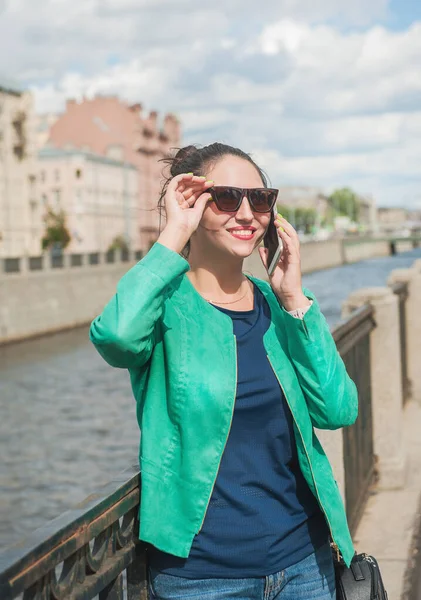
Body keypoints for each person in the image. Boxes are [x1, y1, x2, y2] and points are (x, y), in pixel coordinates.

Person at [90, 143, 358, 600]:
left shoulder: (279, 305)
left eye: (261, 199)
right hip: (202, 576)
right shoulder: (164, 308)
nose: (247, 214)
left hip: (304, 563)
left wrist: (295, 301)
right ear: (193, 204)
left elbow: (338, 409)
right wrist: (173, 235)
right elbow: (114, 338)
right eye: (228, 198)